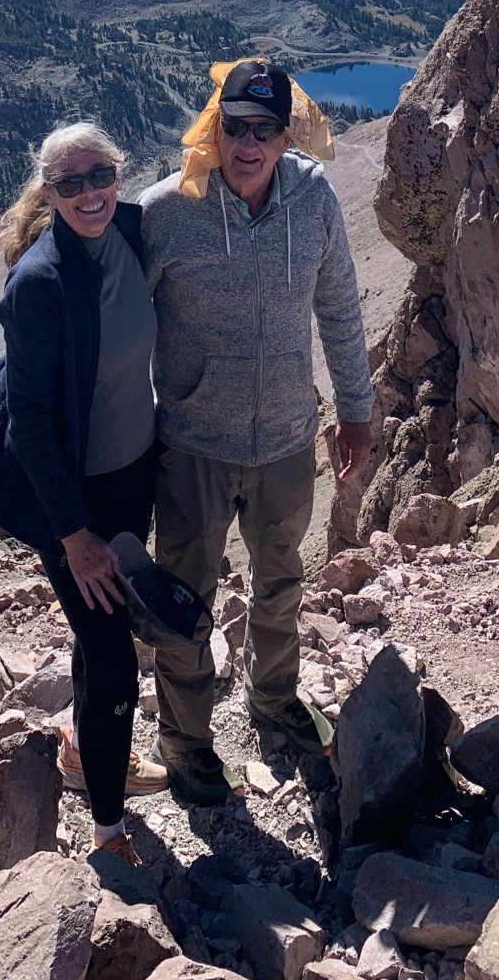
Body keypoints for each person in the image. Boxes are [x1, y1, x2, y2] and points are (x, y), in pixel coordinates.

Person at [139, 58, 374, 804]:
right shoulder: (166, 210)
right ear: (215, 128)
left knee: (281, 583)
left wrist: (356, 408)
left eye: (265, 130)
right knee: (184, 600)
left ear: (285, 134)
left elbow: (338, 306)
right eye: (235, 127)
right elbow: (118, 328)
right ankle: (185, 741)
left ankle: (273, 698)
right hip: (193, 446)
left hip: (284, 440)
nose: (249, 144)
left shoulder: (315, 200)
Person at [0, 122, 167, 863]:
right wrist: (74, 537)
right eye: (70, 184)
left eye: (100, 175)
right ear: (48, 194)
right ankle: (108, 832)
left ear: (119, 173)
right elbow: (34, 431)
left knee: (97, 636)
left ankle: (86, 757)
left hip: (131, 475)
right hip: (72, 498)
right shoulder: (39, 282)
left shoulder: (136, 228)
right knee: (114, 655)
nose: (90, 194)